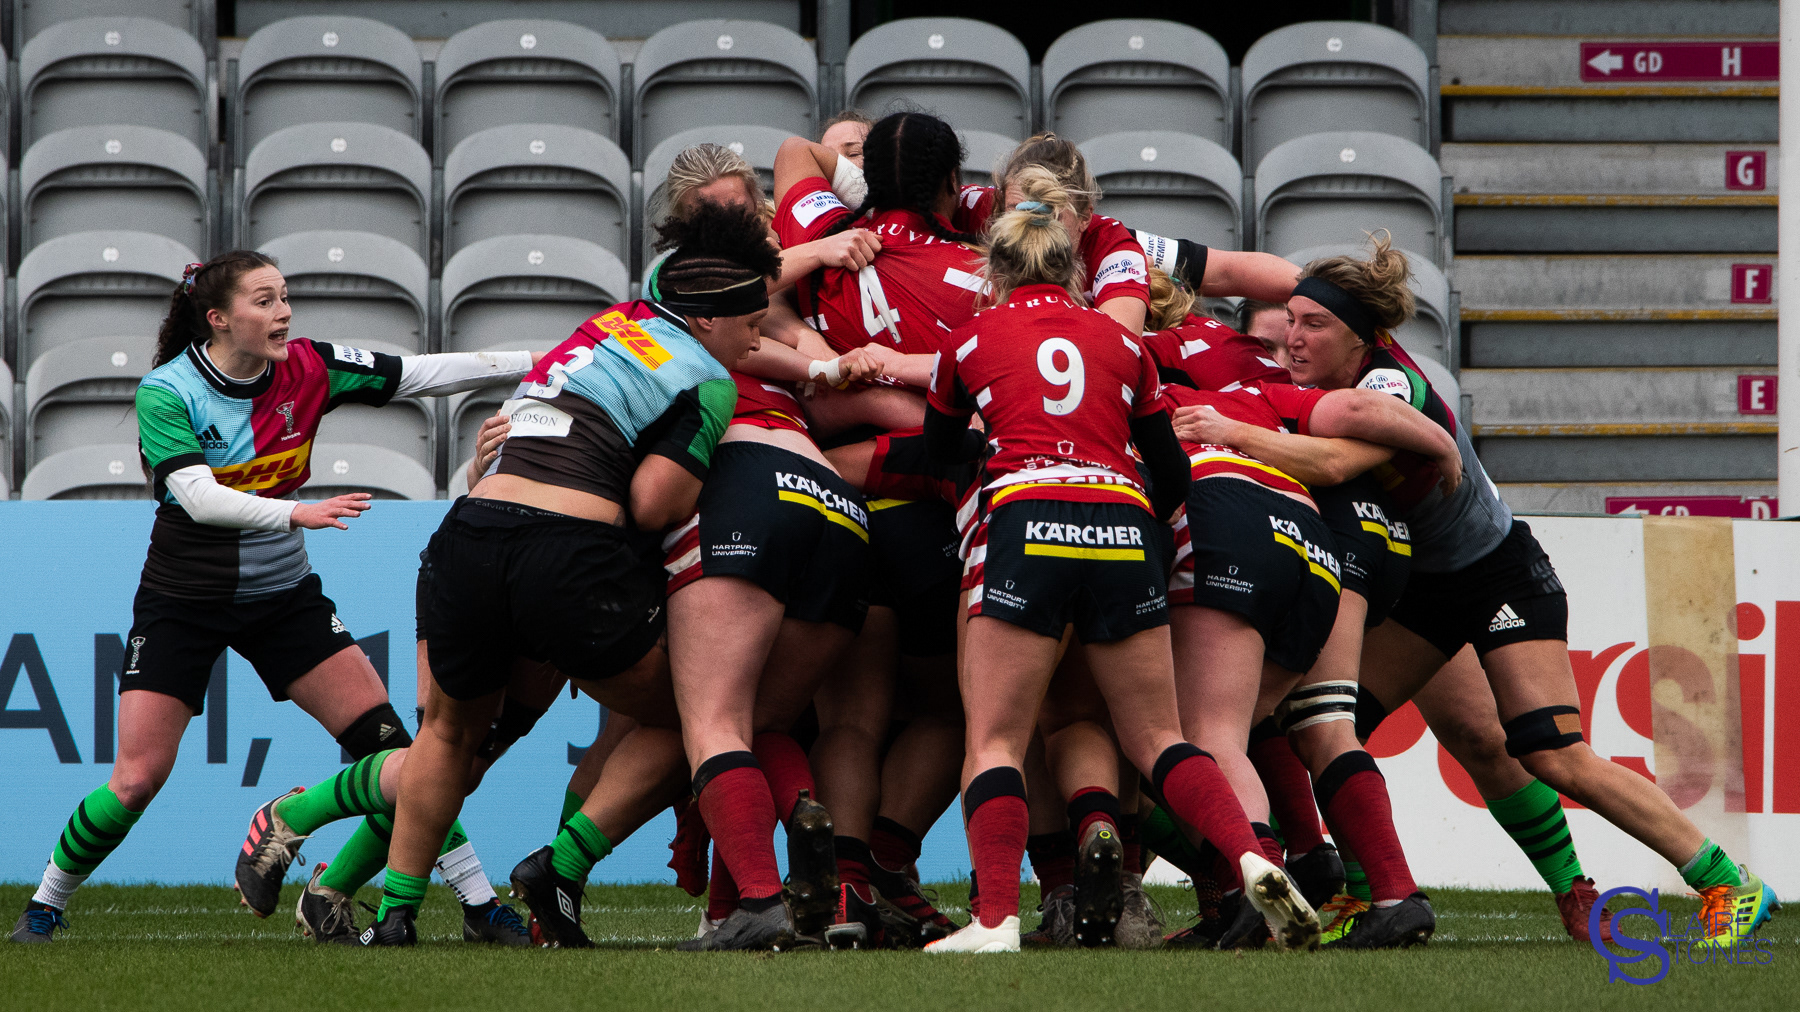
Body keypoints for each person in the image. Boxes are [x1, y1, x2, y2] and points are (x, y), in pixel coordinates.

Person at [1200, 235, 1779, 951]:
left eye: (1313, 325)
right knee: (1322, 727)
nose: (1293, 339)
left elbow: (1331, 462)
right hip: (1422, 589)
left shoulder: (1387, 387)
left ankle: (1727, 881)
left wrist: (1227, 430)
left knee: (1552, 751)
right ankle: (1364, 889)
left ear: (1364, 336)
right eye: (1289, 322)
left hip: (1499, 574)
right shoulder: (1317, 386)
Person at [9, 251, 536, 945]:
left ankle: (476, 903)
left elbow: (421, 373)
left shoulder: (312, 366)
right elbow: (198, 498)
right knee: (135, 781)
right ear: (219, 318)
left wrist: (544, 363)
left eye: (285, 297)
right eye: (265, 301)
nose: (283, 312)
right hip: (183, 600)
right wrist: (295, 513)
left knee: (404, 753)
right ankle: (45, 904)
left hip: (284, 595)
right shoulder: (167, 391)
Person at [920, 168, 1317, 954]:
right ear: (1075, 270)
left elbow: (939, 453)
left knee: (995, 741)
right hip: (1124, 524)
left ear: (995, 270)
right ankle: (1250, 859)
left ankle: (995, 920)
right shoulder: (1124, 342)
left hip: (1025, 516)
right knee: (1159, 737)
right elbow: (1170, 469)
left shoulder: (966, 341)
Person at [357, 202, 774, 947]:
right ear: (708, 320)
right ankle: (561, 864)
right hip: (567, 554)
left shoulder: (603, 325)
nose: (757, 340)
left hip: (469, 534)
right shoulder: (710, 379)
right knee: (698, 715)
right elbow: (653, 504)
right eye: (751, 323)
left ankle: (393, 916)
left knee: (447, 734)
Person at [1163, 357, 1460, 950]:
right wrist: (1444, 441)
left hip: (1231, 516)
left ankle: (1253, 875)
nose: (1293, 342)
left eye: (1308, 324)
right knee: (1302, 723)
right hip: (1321, 541)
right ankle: (1386, 889)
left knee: (1190, 736)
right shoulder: (1262, 386)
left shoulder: (1141, 378)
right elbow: (1359, 411)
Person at [951, 133, 1150, 334]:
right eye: (1018, 211)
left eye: (1051, 215)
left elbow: (1119, 342)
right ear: (1000, 206)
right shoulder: (984, 205)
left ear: (1085, 217)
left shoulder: (1112, 247)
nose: (1032, 225)